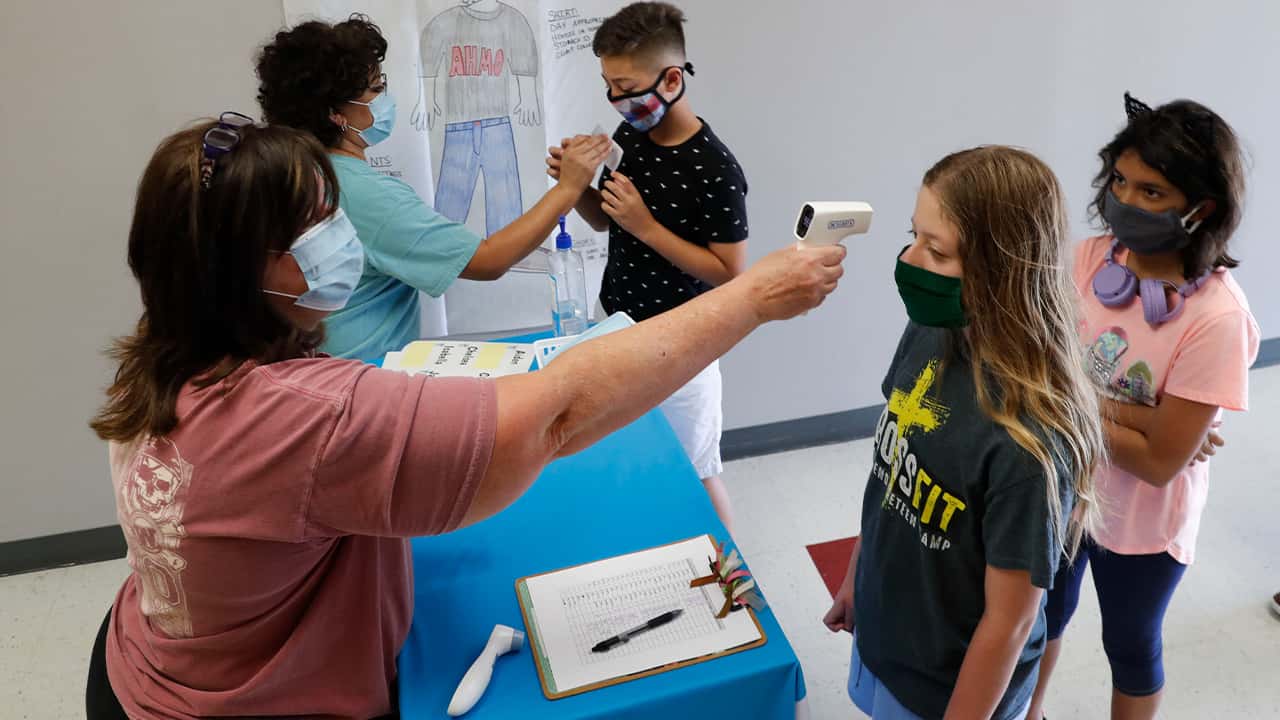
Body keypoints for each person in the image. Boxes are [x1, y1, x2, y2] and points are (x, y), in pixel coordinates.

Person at [83, 118, 845, 719]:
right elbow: (554, 417)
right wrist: (752, 300)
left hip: (144, 664)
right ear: (245, 268)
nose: (340, 235)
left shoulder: (165, 350)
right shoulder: (305, 417)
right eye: (317, 224)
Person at [822, 146, 1107, 720]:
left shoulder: (1027, 441)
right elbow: (891, 477)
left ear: (1004, 271)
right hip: (890, 635)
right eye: (914, 235)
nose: (908, 258)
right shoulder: (931, 332)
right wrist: (858, 575)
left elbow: (1010, 622)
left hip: (949, 688)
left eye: (937, 250)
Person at [1026, 94, 1260, 720]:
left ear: (1200, 208)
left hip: (1142, 525)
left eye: (1152, 192)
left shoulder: (1217, 318)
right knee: (1043, 614)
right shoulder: (1088, 259)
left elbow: (1158, 466)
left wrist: (1069, 401)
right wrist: (1145, 418)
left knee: (1128, 643)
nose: (1125, 202)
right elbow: (1039, 368)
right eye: (1121, 182)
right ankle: (1029, 711)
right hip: (1063, 487)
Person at [255, 15, 612, 362]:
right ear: (336, 113)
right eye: (376, 90)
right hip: (357, 384)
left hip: (306, 373)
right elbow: (488, 260)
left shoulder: (289, 172)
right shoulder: (361, 195)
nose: (385, 100)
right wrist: (568, 189)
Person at [546, 2, 747, 532]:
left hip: (684, 342)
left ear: (672, 78)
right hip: (613, 320)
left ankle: (735, 583)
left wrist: (646, 226)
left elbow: (729, 273)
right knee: (617, 454)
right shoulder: (631, 134)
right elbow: (606, 221)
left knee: (698, 470)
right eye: (609, 85)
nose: (617, 99)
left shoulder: (716, 168)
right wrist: (578, 187)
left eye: (627, 86)